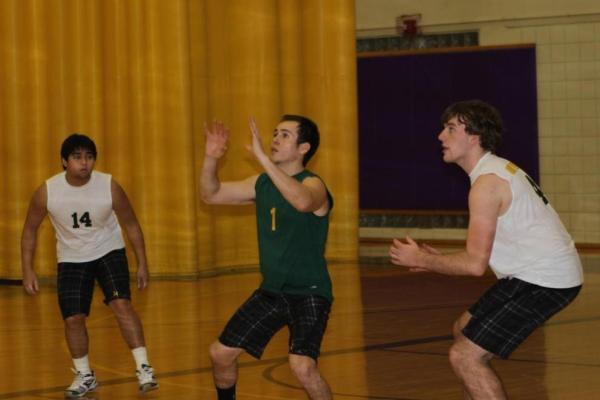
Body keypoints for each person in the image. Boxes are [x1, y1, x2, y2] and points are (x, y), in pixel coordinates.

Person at [389, 100, 583, 399]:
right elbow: (487, 250)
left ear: (474, 137)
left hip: (546, 279)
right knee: (463, 331)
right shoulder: (494, 170)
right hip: (530, 273)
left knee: (465, 356)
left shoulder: (486, 184)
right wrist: (434, 261)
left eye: (451, 129)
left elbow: (474, 266)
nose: (441, 136)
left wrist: (421, 258)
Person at [201, 115, 334, 400]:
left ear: (304, 148)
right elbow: (210, 195)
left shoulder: (314, 185)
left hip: (309, 293)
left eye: (285, 135)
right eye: (274, 133)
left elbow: (301, 201)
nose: (275, 138)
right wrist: (211, 158)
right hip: (272, 291)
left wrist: (262, 159)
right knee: (220, 354)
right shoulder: (261, 183)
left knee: (302, 367)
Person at [21, 134, 159, 398]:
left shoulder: (109, 186)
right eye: (77, 157)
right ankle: (85, 375)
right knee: (73, 318)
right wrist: (27, 269)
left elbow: (131, 224)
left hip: (108, 250)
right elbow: (29, 230)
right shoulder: (47, 191)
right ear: (64, 162)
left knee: (122, 304)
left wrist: (142, 262)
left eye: (89, 156)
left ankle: (144, 367)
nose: (84, 163)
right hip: (72, 257)